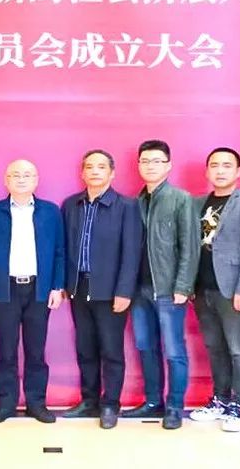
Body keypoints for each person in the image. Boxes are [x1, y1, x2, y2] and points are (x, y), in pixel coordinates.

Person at [0, 159, 65, 424]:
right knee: (6, 350)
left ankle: (36, 403)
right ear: (6, 180)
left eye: (27, 175)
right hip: (5, 290)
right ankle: (6, 402)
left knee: (36, 350)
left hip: (39, 289)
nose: (22, 179)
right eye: (15, 175)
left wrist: (57, 286)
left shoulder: (50, 211)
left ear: (36, 180)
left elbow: (60, 251)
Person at [61, 150, 142, 429]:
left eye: (101, 167)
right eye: (89, 167)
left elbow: (132, 252)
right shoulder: (71, 204)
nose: (94, 171)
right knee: (85, 348)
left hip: (111, 291)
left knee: (111, 350)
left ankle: (110, 404)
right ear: (82, 173)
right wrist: (64, 284)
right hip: (78, 287)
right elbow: (64, 247)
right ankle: (89, 401)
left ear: (112, 173)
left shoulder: (127, 206)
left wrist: (124, 291)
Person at [189, 147, 240, 433]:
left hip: (233, 289)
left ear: (238, 171)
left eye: (227, 165)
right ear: (207, 171)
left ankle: (239, 404)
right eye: (215, 165)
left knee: (238, 349)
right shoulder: (197, 203)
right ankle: (220, 399)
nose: (220, 170)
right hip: (202, 289)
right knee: (215, 347)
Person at [121, 140, 199, 430]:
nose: (150, 166)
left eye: (156, 161)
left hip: (168, 289)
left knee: (174, 350)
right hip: (138, 290)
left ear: (168, 165)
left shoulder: (181, 199)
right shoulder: (135, 201)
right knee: (145, 346)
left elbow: (190, 246)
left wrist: (183, 286)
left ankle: (175, 406)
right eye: (145, 161)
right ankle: (153, 401)